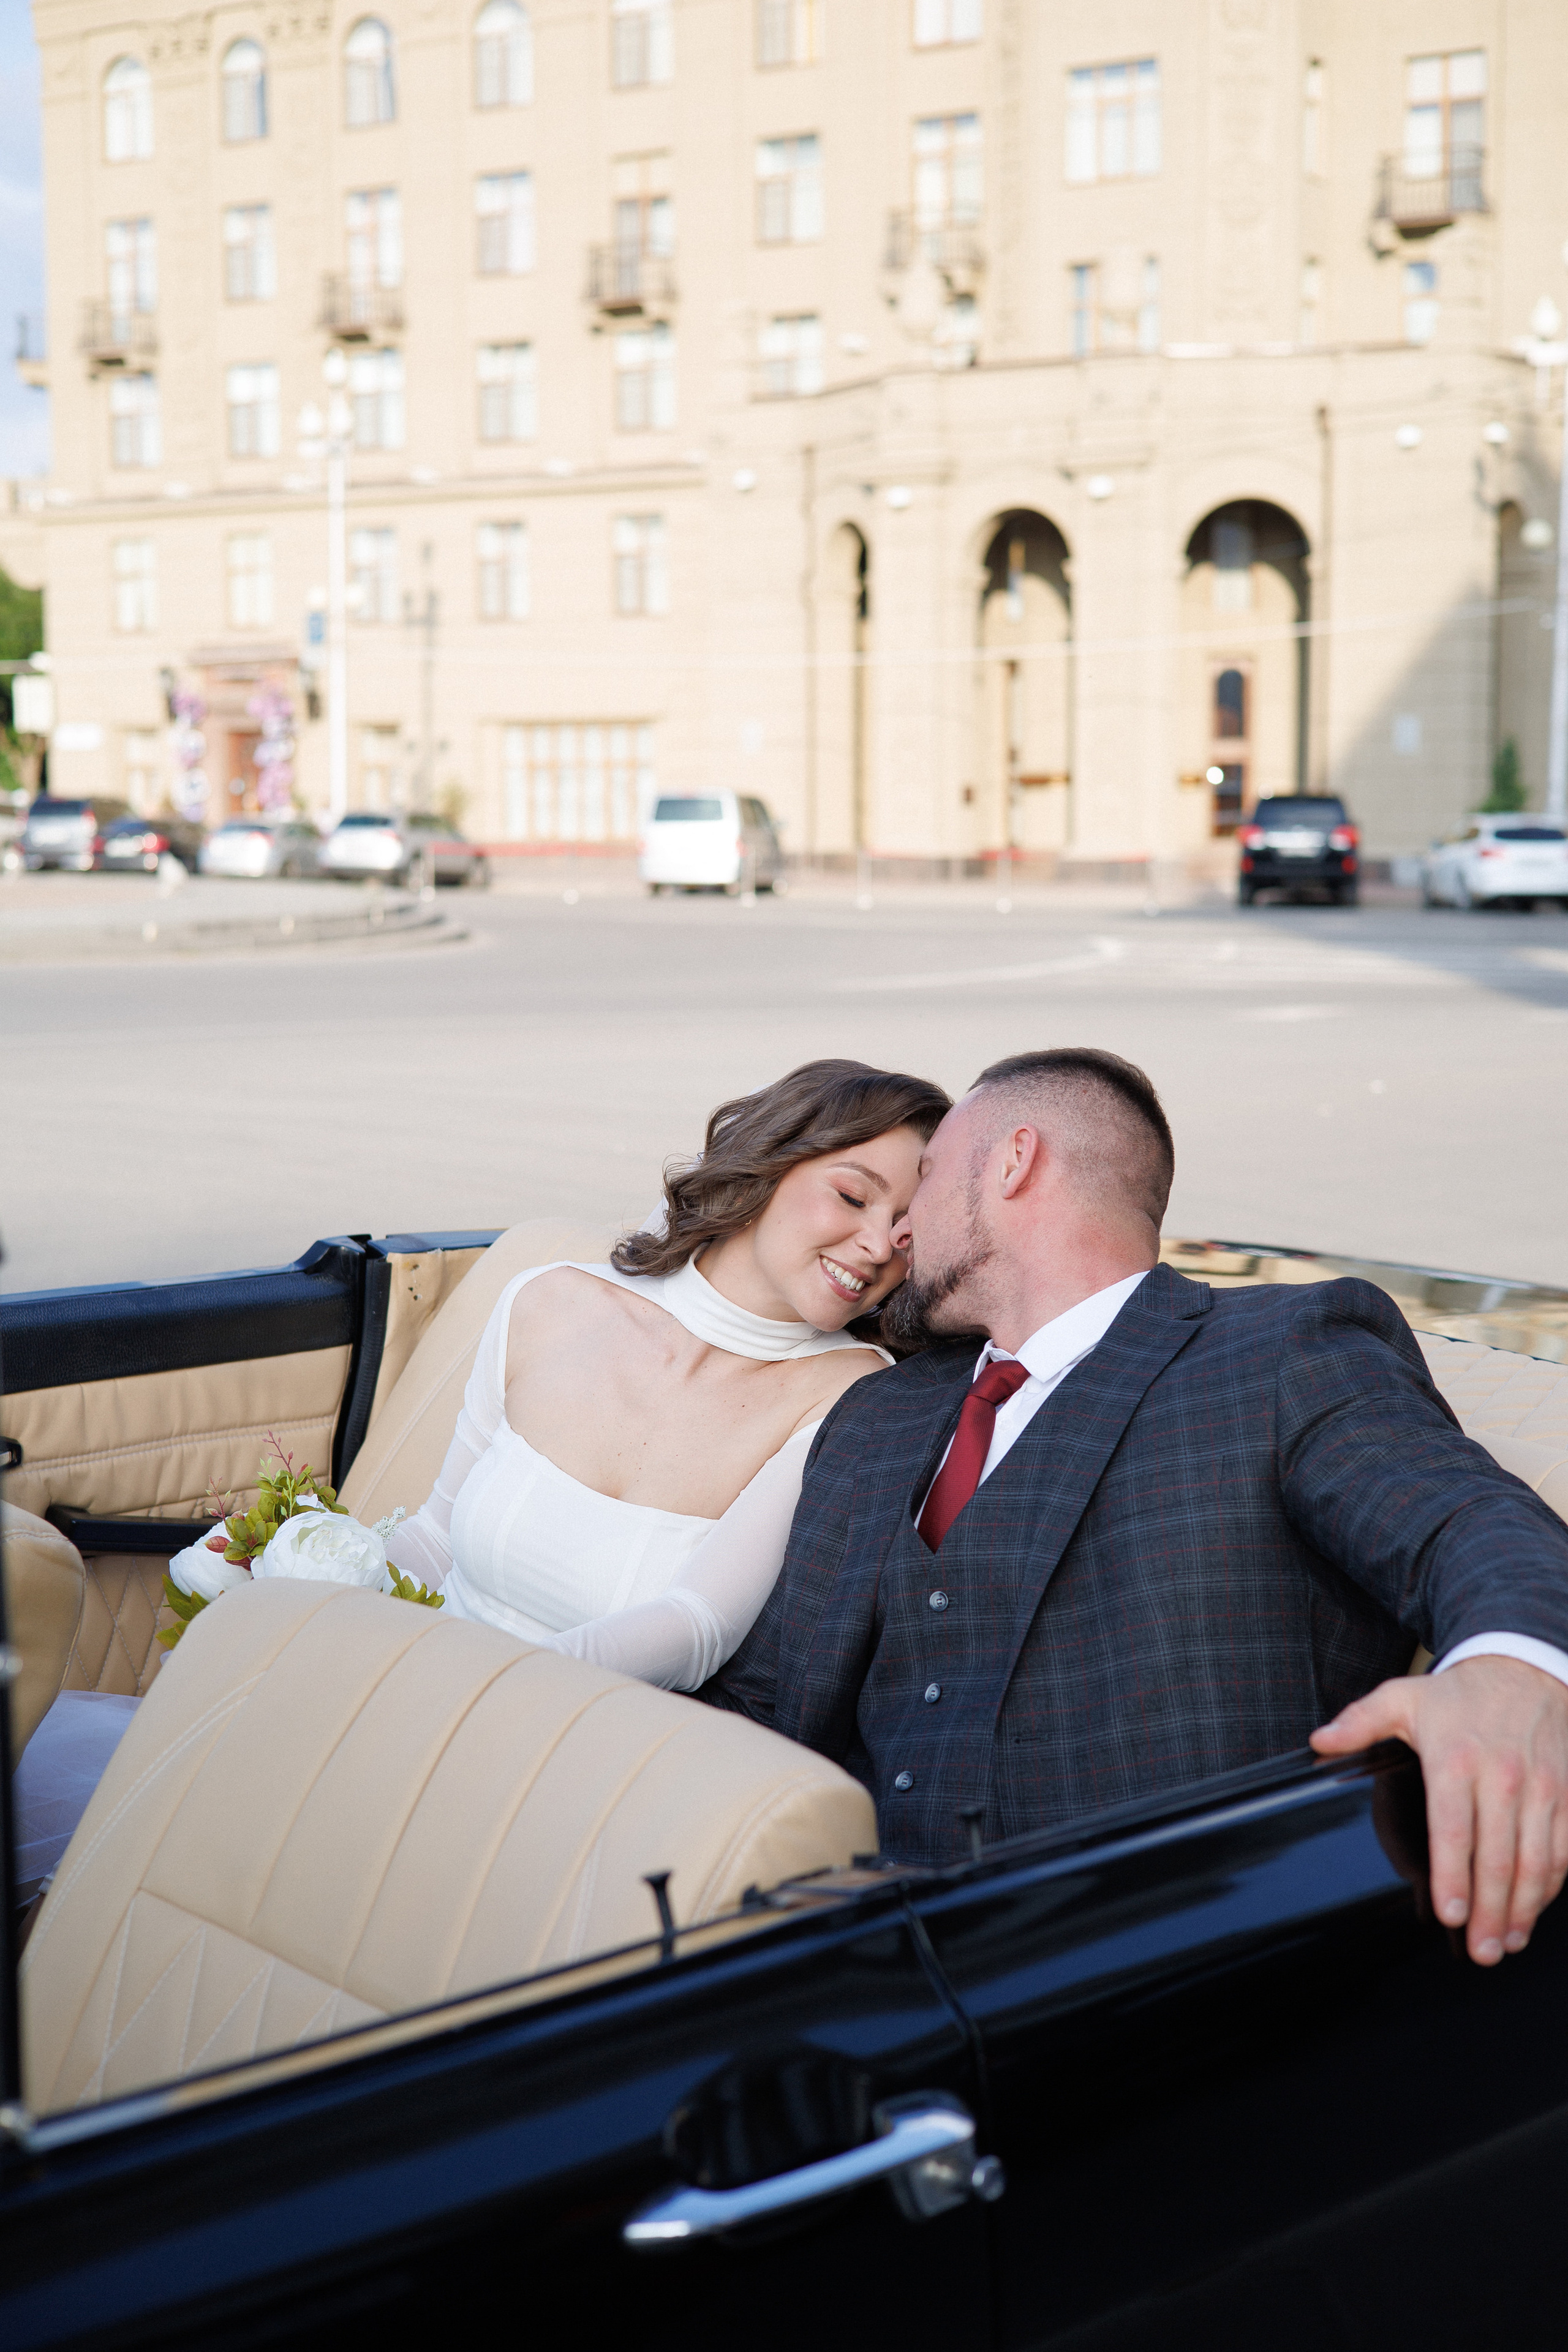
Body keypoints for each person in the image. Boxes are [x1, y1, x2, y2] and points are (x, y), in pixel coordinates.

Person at [706, 1046, 1568, 1969]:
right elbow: (761, 1698)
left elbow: (1470, 1523)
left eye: (922, 1180)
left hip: (1173, 1977)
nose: (900, 1229)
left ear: (1012, 1162)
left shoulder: (1279, 1353)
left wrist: (1513, 1674)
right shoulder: (880, 1412)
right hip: (842, 1972)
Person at [389, 1060, 949, 1687]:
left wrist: (492, 1687)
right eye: (852, 1197)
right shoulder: (547, 1301)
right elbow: (434, 1540)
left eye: (908, 1237)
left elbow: (698, 1626)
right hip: (426, 1681)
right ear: (769, 1162)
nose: (879, 1246)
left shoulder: (850, 1392)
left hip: (590, 1731)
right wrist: (304, 1577)